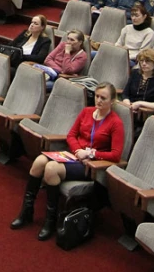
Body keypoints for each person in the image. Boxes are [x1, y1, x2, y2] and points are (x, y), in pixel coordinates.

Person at [9, 83, 123, 241]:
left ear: (112, 101)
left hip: (90, 166)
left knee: (51, 169)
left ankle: (50, 221)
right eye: (97, 96)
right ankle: (27, 211)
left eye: (103, 98)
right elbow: (71, 136)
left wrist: (91, 153)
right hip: (74, 155)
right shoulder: (86, 112)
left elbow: (116, 155)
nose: (99, 100)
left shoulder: (115, 122)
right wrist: (77, 151)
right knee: (39, 161)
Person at [121, 49, 154, 132]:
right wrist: (127, 103)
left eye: (147, 61)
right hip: (129, 112)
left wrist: (140, 104)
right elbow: (125, 93)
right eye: (141, 61)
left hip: (146, 118)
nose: (143, 64)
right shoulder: (135, 73)